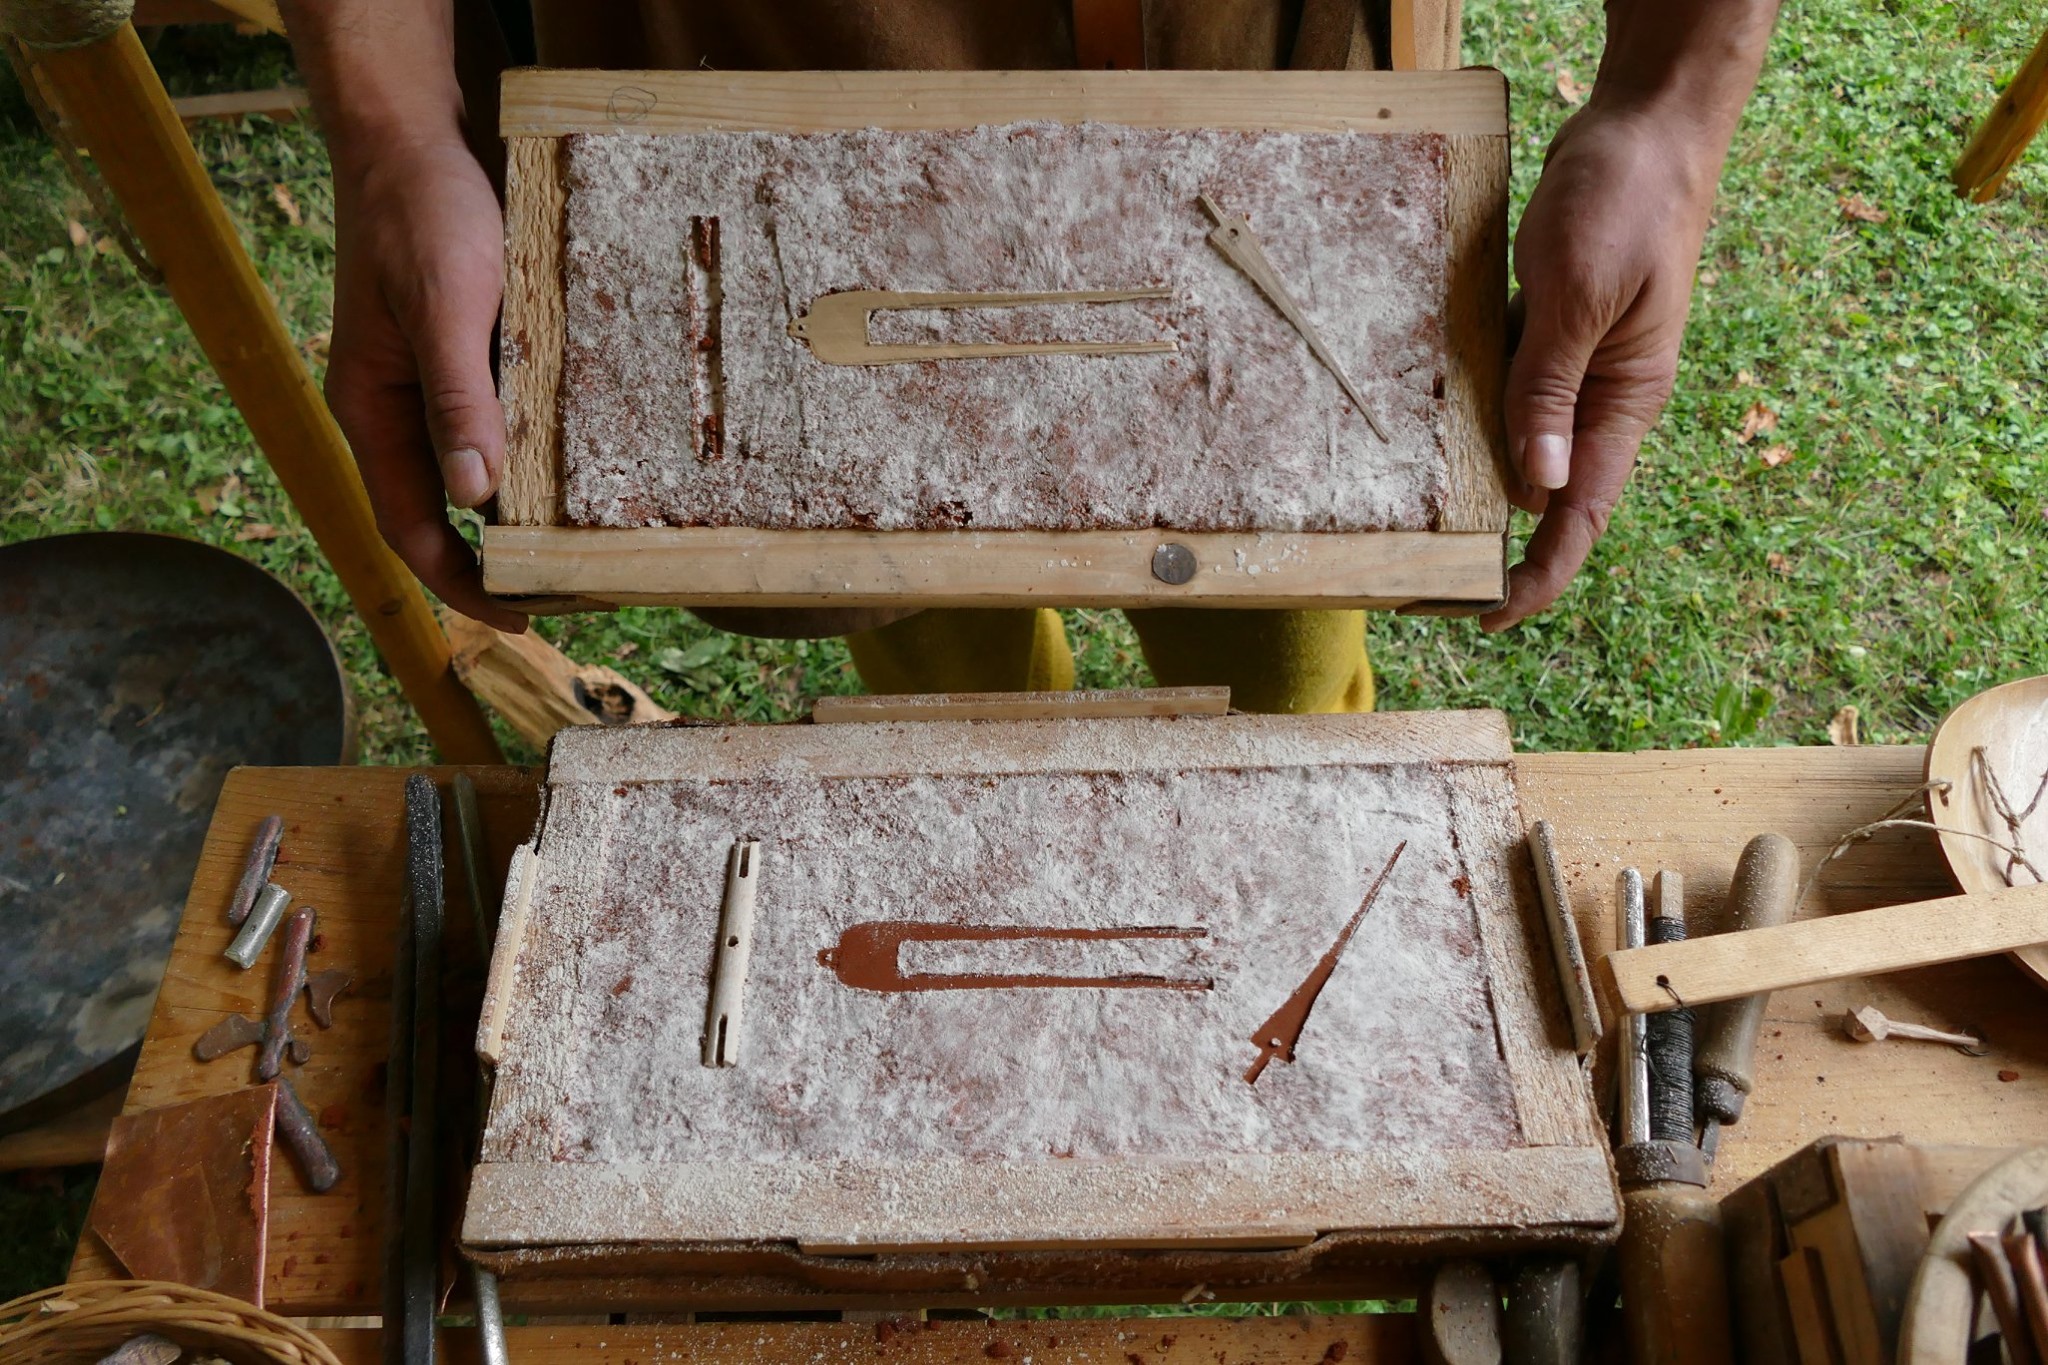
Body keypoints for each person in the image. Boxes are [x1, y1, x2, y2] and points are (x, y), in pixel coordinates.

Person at [279, 0, 1780, 711]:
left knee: (1283, 575)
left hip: (1263, 94)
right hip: (786, 65)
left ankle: (1276, 736)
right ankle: (965, 708)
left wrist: (1672, 102)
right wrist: (390, 119)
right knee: (890, 563)